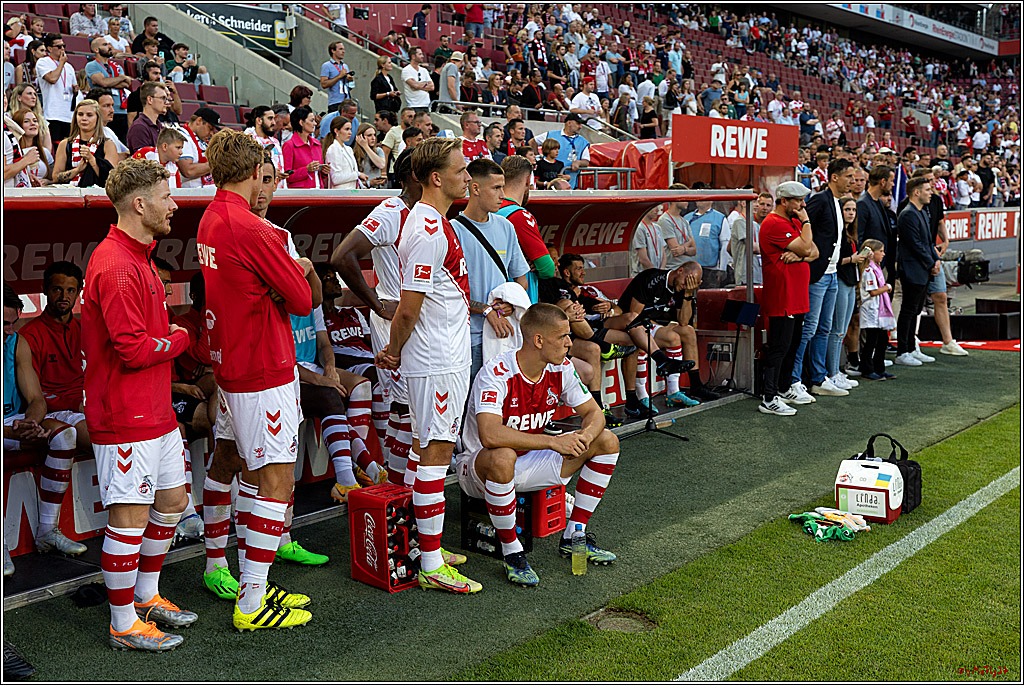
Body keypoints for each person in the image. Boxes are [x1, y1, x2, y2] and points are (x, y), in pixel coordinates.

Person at [197, 130, 316, 630]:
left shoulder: (208, 217)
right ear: (252, 174)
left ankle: (238, 575)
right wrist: (298, 267)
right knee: (275, 479)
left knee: (231, 460)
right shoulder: (255, 229)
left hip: (231, 364)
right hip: (262, 367)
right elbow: (303, 299)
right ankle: (251, 602)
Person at [80, 158, 195, 651]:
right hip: (124, 415)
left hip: (155, 411)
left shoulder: (140, 255)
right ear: (140, 204)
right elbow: (132, 350)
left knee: (172, 503)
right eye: (167, 197)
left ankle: (146, 595)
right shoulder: (116, 265)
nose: (174, 204)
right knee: (128, 520)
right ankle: (122, 623)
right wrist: (180, 340)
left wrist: (164, 338)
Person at [375, 137, 481, 594]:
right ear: (436, 178)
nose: (467, 178)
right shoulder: (427, 229)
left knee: (430, 450)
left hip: (445, 356)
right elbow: (408, 307)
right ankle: (432, 563)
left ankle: (427, 548)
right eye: (460, 171)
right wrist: (395, 350)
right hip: (435, 359)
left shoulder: (435, 221)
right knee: (434, 453)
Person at [456, 303, 620, 586]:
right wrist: (554, 442)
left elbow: (595, 414)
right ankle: (512, 552)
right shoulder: (496, 372)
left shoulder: (562, 368)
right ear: (539, 340)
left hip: (531, 460)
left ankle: (574, 535)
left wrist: (584, 438)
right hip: (479, 468)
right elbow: (490, 436)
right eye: (563, 337)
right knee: (503, 456)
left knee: (606, 441)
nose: (570, 343)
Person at [330, 149, 419, 483]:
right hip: (395, 323)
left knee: (416, 414)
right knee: (404, 410)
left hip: (421, 324)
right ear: (417, 174)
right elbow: (343, 257)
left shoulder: (429, 213)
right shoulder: (390, 210)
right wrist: (378, 305)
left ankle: (407, 491)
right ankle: (397, 493)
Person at [10, 261, 93, 559]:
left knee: (136, 431)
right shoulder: (29, 334)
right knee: (100, 439)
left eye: (70, 290)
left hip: (83, 407)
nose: (63, 296)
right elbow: (34, 396)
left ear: (79, 293)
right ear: (45, 291)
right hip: (55, 411)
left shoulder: (85, 328)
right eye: (57, 288)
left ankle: (162, 514)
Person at [450, 158, 530, 381]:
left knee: (500, 405)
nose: (503, 195)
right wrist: (486, 310)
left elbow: (521, 279)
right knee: (469, 407)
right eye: (496, 188)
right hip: (468, 337)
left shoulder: (506, 226)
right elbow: (449, 291)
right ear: (475, 188)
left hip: (503, 334)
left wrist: (510, 304)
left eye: (503, 187)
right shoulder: (452, 230)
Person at [794, 158, 855, 399]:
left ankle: (819, 378)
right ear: (835, 177)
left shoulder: (837, 203)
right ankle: (795, 379)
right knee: (809, 328)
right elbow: (803, 225)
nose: (852, 180)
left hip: (831, 275)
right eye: (849, 176)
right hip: (818, 274)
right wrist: (808, 256)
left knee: (824, 328)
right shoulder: (820, 200)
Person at [757, 182, 819, 416]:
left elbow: (815, 251)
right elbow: (806, 248)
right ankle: (768, 397)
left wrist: (802, 256)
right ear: (784, 201)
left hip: (796, 295)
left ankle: (783, 388)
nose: (803, 205)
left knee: (792, 344)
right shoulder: (774, 223)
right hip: (783, 296)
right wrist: (806, 224)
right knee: (779, 347)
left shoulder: (791, 221)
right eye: (798, 201)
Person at [894, 176, 941, 368]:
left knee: (916, 310)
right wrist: (931, 262)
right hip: (913, 268)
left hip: (922, 268)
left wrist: (935, 260)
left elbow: (928, 241)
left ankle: (912, 348)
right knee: (908, 309)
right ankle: (902, 351)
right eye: (928, 190)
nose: (931, 193)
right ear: (916, 192)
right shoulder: (908, 214)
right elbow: (915, 244)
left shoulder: (922, 212)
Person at [498, 155, 557, 302]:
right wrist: (525, 264)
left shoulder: (488, 209)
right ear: (527, 180)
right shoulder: (519, 215)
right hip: (517, 300)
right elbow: (548, 269)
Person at [824, 196, 866, 391]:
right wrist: (853, 258)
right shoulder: (837, 233)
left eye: (853, 210)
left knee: (842, 329)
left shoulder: (852, 233)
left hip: (850, 282)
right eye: (847, 209)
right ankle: (831, 372)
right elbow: (834, 259)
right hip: (839, 280)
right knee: (837, 328)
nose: (851, 213)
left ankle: (835, 371)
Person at [52, 99, 117, 187]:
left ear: (97, 118)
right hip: (70, 196)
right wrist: (77, 170)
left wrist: (91, 159)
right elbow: (55, 178)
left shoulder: (108, 144)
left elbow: (112, 179)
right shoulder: (64, 144)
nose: (84, 118)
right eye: (80, 114)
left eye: (89, 115)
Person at [857, 239, 896, 381]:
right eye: (881, 251)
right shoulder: (868, 270)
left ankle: (879, 368)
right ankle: (867, 369)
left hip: (878, 309)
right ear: (872, 253)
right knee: (871, 341)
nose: (884, 254)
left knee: (882, 339)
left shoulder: (877, 268)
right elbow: (873, 291)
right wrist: (887, 287)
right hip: (871, 309)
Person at [85, 37, 132, 142]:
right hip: (103, 111)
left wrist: (108, 82)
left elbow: (126, 83)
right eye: (105, 45)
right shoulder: (92, 65)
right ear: (96, 50)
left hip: (121, 110)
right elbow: (104, 82)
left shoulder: (116, 66)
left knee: (122, 143)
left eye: (109, 44)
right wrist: (121, 78)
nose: (109, 47)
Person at [857, 164, 897, 283]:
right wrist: (866, 263)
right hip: (869, 268)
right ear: (883, 182)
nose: (893, 184)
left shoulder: (878, 202)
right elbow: (859, 237)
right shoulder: (863, 204)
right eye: (891, 181)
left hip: (881, 265)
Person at [36, 34, 77, 144]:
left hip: (68, 115)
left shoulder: (70, 67)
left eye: (64, 46)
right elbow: (52, 79)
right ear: (49, 49)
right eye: (59, 47)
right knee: (56, 148)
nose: (62, 49)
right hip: (53, 113)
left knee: (69, 150)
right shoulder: (43, 62)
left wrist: (75, 90)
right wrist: (61, 63)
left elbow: (74, 87)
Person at [532, 113, 590, 189]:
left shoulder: (583, 142)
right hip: (547, 186)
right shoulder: (551, 134)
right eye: (578, 123)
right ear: (569, 123)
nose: (580, 127)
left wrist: (578, 162)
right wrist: (538, 159)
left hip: (570, 185)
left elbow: (586, 161)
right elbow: (532, 142)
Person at [683, 193, 729, 288]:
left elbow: (725, 245)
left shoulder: (720, 218)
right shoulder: (686, 218)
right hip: (689, 268)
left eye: (704, 197)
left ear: (711, 200)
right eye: (699, 197)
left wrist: (722, 269)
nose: (700, 199)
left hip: (711, 270)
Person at [729, 192, 771, 286]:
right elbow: (753, 247)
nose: (757, 205)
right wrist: (771, 249)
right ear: (743, 203)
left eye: (758, 202)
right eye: (754, 201)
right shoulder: (740, 222)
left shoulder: (754, 224)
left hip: (757, 273)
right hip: (745, 275)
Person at [283, 106, 324, 189]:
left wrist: (324, 171)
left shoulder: (317, 144)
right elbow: (287, 176)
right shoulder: (289, 145)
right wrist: (306, 170)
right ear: (301, 122)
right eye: (312, 121)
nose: (315, 124)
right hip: (300, 194)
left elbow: (319, 175)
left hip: (319, 190)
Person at [244, 105, 285, 188]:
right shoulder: (247, 140)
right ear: (259, 120)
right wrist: (271, 172)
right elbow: (246, 169)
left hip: (278, 190)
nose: (274, 122)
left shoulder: (275, 141)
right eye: (270, 118)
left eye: (274, 119)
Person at [10, 108, 54, 184]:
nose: (33, 123)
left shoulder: (44, 152)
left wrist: (48, 182)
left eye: (35, 121)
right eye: (26, 121)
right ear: (17, 126)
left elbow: (54, 178)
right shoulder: (12, 152)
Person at [126, 81, 168, 153]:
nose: (166, 102)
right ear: (150, 100)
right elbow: (144, 161)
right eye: (162, 98)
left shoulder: (160, 126)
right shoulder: (139, 127)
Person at [322, 116, 357, 189]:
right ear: (336, 131)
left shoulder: (348, 149)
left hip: (351, 193)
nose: (350, 133)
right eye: (347, 129)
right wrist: (357, 174)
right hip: (340, 195)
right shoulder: (333, 149)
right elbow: (335, 178)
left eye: (350, 129)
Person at [630, 205, 666, 276]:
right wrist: (656, 274)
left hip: (657, 274)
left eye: (657, 206)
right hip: (643, 275)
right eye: (653, 207)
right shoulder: (639, 228)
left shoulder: (657, 228)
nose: (657, 210)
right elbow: (643, 259)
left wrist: (661, 270)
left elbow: (663, 254)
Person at [320, 41, 352, 113]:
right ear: (333, 51)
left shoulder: (345, 66)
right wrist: (339, 76)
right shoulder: (327, 65)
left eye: (343, 49)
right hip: (335, 102)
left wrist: (350, 80)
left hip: (347, 101)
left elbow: (349, 87)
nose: (343, 51)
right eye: (340, 49)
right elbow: (324, 84)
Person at [401, 46, 434, 112]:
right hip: (414, 105)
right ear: (413, 56)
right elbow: (415, 86)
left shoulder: (424, 70)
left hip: (426, 105)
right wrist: (425, 83)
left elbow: (432, 87)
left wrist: (419, 85)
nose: (422, 56)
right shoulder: (406, 70)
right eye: (420, 54)